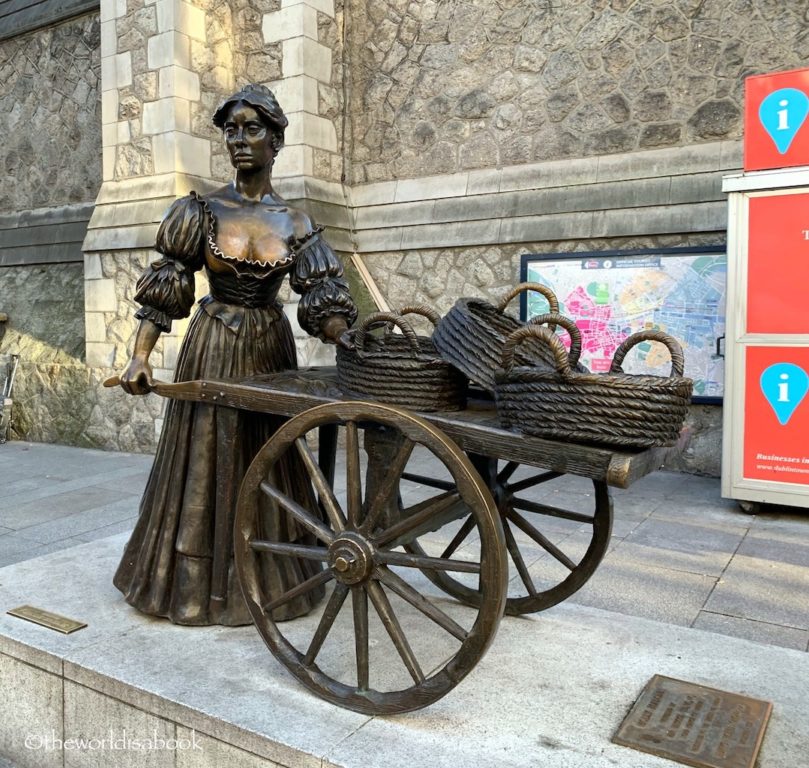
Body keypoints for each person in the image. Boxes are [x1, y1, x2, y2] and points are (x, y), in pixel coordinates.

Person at [113, 84, 357, 626]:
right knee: (203, 460)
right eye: (231, 129)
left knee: (268, 458)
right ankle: (194, 587)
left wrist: (346, 338)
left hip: (270, 350)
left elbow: (322, 297)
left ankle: (268, 579)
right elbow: (169, 285)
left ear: (276, 140)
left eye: (252, 129)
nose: (239, 140)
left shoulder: (296, 222)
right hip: (213, 346)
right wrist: (140, 355)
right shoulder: (199, 210)